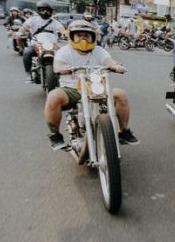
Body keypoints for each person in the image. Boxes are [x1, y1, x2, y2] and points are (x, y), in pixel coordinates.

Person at [44, 20, 139, 150]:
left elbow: (109, 61)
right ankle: (55, 135)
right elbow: (58, 65)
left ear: (93, 37)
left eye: (87, 36)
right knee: (53, 96)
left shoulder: (99, 50)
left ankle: (123, 132)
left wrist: (116, 66)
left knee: (120, 94)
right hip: (71, 89)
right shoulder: (64, 51)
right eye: (79, 35)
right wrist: (63, 68)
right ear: (72, 36)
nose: (83, 39)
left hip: (96, 88)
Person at [17, 0, 66, 83]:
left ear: (51, 11)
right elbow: (24, 27)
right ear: (38, 10)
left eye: (47, 10)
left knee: (64, 54)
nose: (45, 12)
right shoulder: (32, 20)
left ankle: (64, 74)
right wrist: (20, 32)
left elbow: (63, 30)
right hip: (36, 44)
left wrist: (66, 34)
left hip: (52, 45)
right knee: (27, 52)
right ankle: (28, 74)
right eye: (42, 9)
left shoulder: (55, 22)